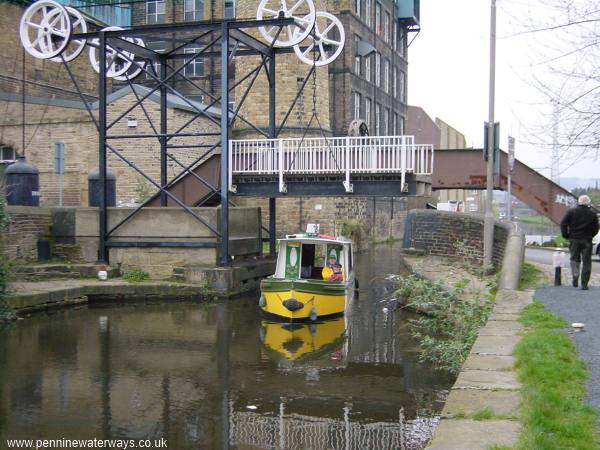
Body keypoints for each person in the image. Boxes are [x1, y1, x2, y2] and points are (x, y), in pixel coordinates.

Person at [560, 195, 599, 290]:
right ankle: (584, 284)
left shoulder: (571, 211)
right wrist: (591, 236)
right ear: (588, 203)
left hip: (574, 239)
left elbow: (563, 223)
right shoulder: (592, 214)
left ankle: (575, 279)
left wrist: (566, 235)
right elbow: (596, 228)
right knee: (586, 262)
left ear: (579, 202)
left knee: (574, 260)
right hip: (587, 240)